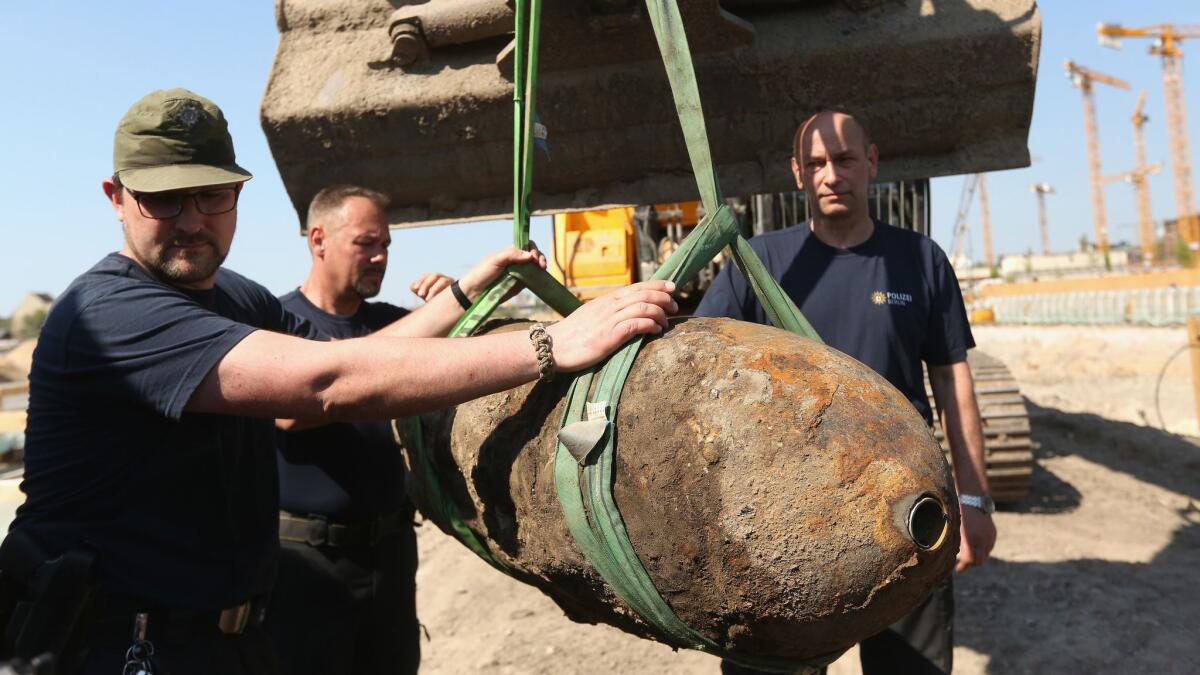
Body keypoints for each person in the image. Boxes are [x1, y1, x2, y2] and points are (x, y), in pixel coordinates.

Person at [1, 88, 676, 675]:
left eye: (210, 194)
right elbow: (326, 382)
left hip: (225, 638)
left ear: (238, 193)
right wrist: (550, 343)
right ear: (116, 197)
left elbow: (367, 355)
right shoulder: (109, 312)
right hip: (118, 645)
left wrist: (467, 291)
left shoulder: (233, 296)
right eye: (162, 199)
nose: (190, 219)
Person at [696, 110, 996, 675]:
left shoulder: (920, 259)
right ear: (798, 173)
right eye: (816, 163)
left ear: (872, 163)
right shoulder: (757, 264)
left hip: (909, 511)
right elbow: (700, 368)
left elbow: (954, 383)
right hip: (783, 522)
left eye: (844, 159)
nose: (831, 174)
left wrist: (975, 501)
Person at [264, 184, 456, 675]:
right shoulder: (277, 326)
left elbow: (460, 365)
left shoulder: (390, 324)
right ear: (319, 239)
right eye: (366, 243)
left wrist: (451, 309)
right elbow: (291, 410)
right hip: (305, 566)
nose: (379, 257)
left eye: (386, 246)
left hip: (389, 558)